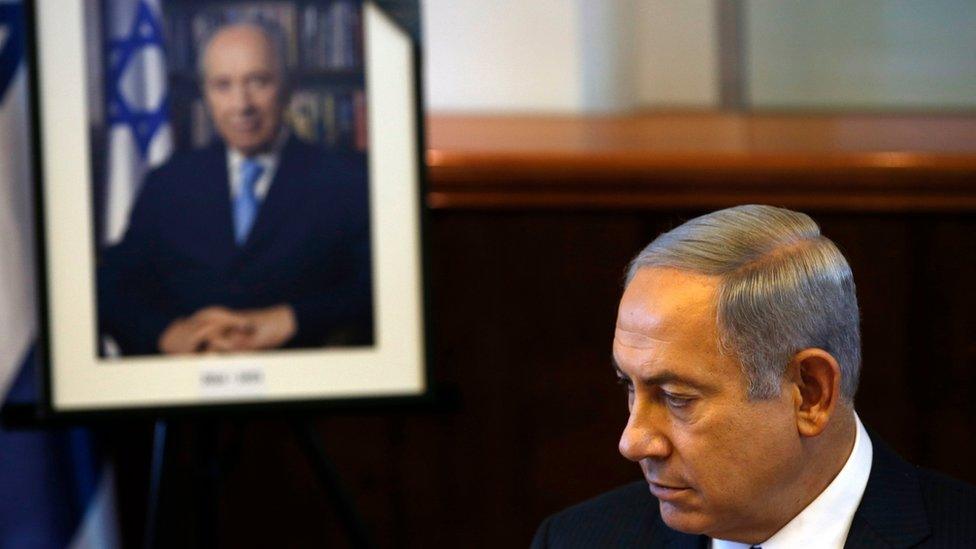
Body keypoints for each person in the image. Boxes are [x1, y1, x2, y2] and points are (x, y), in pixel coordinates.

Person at [532, 205, 976, 547]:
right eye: (630, 386)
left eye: (676, 396)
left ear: (810, 393)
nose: (632, 442)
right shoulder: (577, 539)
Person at [98, 22, 372, 356]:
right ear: (206, 95)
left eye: (258, 82)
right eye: (223, 86)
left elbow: (377, 286)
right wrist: (167, 334)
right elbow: (112, 287)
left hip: (304, 388)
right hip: (188, 389)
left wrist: (293, 319)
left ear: (289, 87)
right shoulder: (167, 183)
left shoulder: (345, 182)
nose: (242, 104)